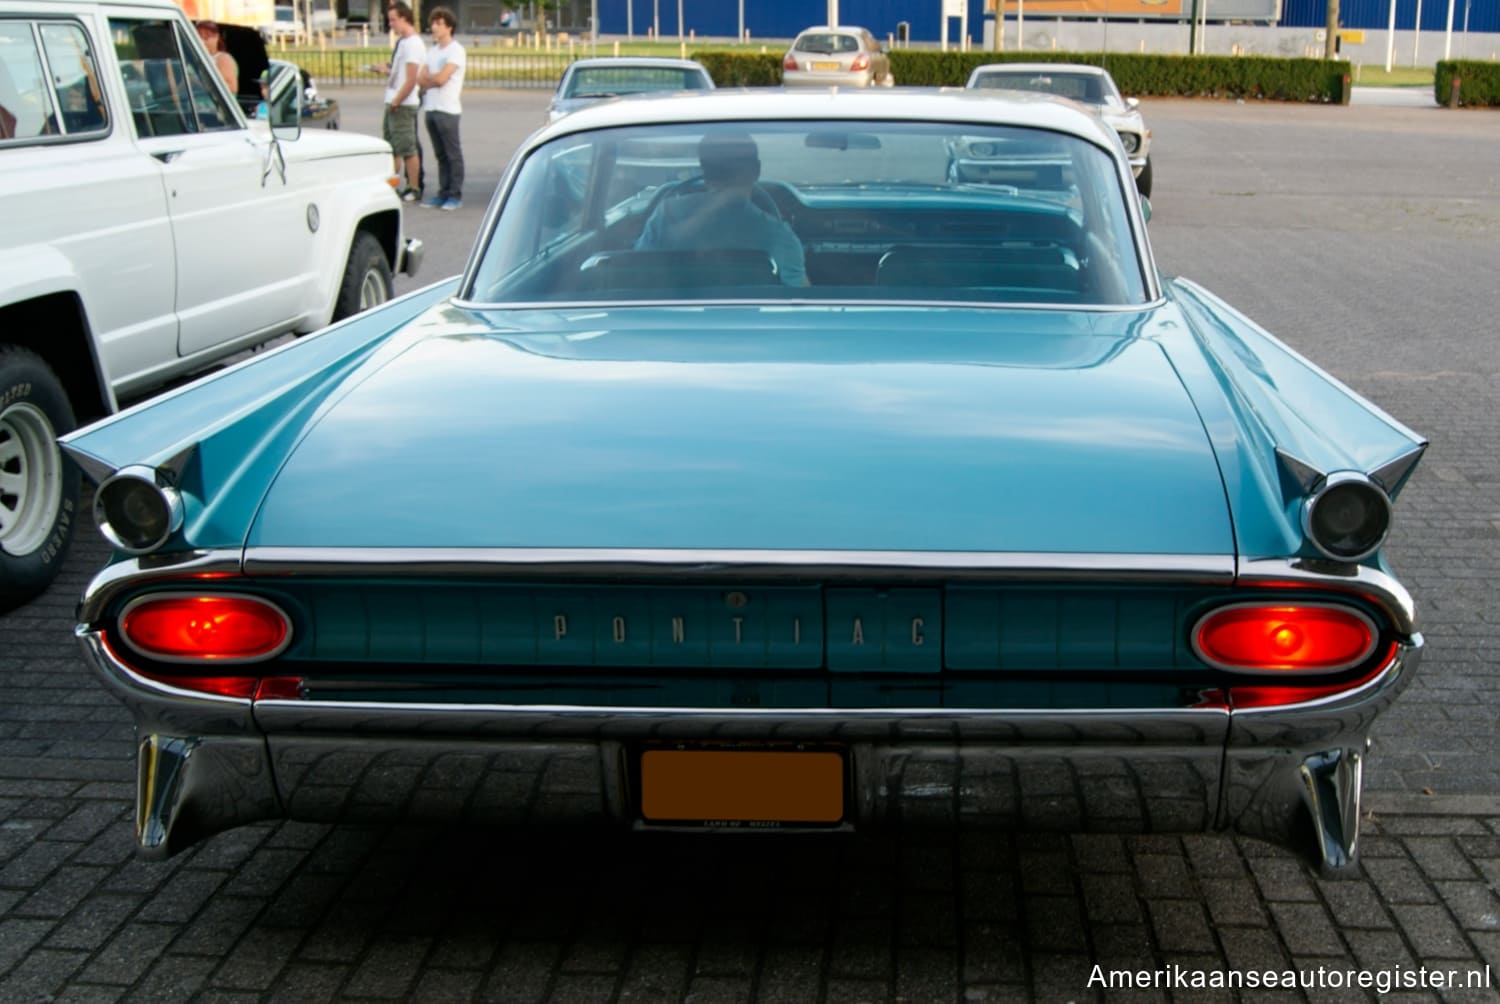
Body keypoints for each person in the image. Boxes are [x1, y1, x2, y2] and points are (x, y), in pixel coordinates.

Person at [634, 133, 807, 287]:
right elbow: (798, 302)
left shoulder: (667, 215)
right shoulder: (778, 236)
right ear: (756, 171)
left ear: (704, 172)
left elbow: (634, 274)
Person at [375, 1, 425, 201]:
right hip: (393, 100)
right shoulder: (403, 42)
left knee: (407, 148)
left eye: (394, 20)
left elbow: (412, 79)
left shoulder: (413, 44)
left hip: (403, 104)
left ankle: (413, 187)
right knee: (392, 147)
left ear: (405, 18)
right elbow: (400, 72)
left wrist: (397, 100)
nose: (391, 24)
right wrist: (385, 70)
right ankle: (392, 183)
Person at [417, 7, 465, 210]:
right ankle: (442, 192)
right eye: (433, 23)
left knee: (452, 153)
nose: (434, 27)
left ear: (449, 27)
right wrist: (431, 79)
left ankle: (454, 194)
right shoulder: (432, 51)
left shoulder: (456, 50)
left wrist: (432, 79)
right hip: (431, 107)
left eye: (439, 24)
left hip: (448, 109)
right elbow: (421, 78)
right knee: (440, 154)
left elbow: (442, 78)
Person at [195, 20, 238, 94]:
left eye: (206, 38)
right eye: (199, 38)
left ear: (216, 37)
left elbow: (232, 88)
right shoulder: (195, 58)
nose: (202, 42)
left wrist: (199, 83)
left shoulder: (223, 58)